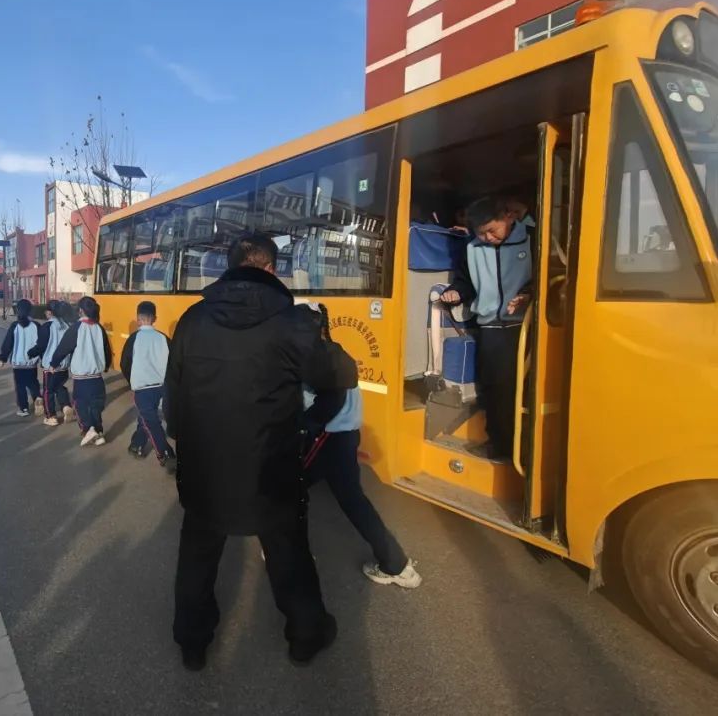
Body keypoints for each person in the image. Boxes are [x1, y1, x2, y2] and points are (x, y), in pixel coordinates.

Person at [164, 234, 358, 671]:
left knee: (196, 558)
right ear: (270, 269)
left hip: (205, 470)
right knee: (288, 554)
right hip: (271, 468)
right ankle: (305, 636)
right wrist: (322, 336)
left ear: (229, 268)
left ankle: (193, 644)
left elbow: (173, 395)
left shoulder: (193, 320)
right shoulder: (291, 322)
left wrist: (181, 440)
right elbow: (342, 374)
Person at [302, 304, 420, 588]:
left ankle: (290, 556)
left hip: (327, 438)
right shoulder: (335, 351)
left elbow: (327, 405)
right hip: (344, 436)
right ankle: (396, 564)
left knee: (284, 489)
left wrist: (300, 424)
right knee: (353, 501)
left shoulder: (317, 361)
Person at [439, 196, 533, 459]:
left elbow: (548, 273)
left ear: (508, 216)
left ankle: (520, 448)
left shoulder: (532, 237)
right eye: (481, 234)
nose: (487, 238)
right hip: (490, 326)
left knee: (519, 388)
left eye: (492, 230)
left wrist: (528, 293)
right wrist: (455, 293)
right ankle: (500, 445)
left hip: (522, 324)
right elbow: (465, 282)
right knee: (492, 387)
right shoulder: (472, 248)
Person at [120, 300, 177, 473]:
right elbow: (173, 363)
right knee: (147, 417)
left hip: (142, 388)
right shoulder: (163, 338)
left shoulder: (134, 338)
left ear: (138, 319)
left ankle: (166, 454)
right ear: (155, 318)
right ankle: (136, 445)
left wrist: (132, 381)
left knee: (150, 420)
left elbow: (125, 363)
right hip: (161, 386)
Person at [50, 296, 112, 446]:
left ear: (81, 311)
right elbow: (107, 350)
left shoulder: (77, 328)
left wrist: (54, 363)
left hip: (82, 377)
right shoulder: (99, 328)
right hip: (97, 377)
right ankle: (98, 432)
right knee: (96, 406)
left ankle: (88, 429)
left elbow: (64, 347)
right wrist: (106, 365)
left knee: (80, 405)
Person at [29, 300, 73, 426]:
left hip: (50, 366)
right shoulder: (67, 326)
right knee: (60, 387)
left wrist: (31, 353)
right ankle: (65, 406)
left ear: (49, 312)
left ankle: (51, 416)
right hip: (64, 365)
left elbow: (41, 346)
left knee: (48, 391)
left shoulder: (47, 326)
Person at [0, 298, 43, 417]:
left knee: (20, 386)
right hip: (31, 362)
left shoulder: (14, 326)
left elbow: (8, 343)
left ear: (18, 310)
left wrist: (2, 358)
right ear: (30, 311)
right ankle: (38, 397)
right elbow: (42, 343)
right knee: (33, 383)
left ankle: (23, 408)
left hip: (18, 363)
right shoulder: (36, 325)